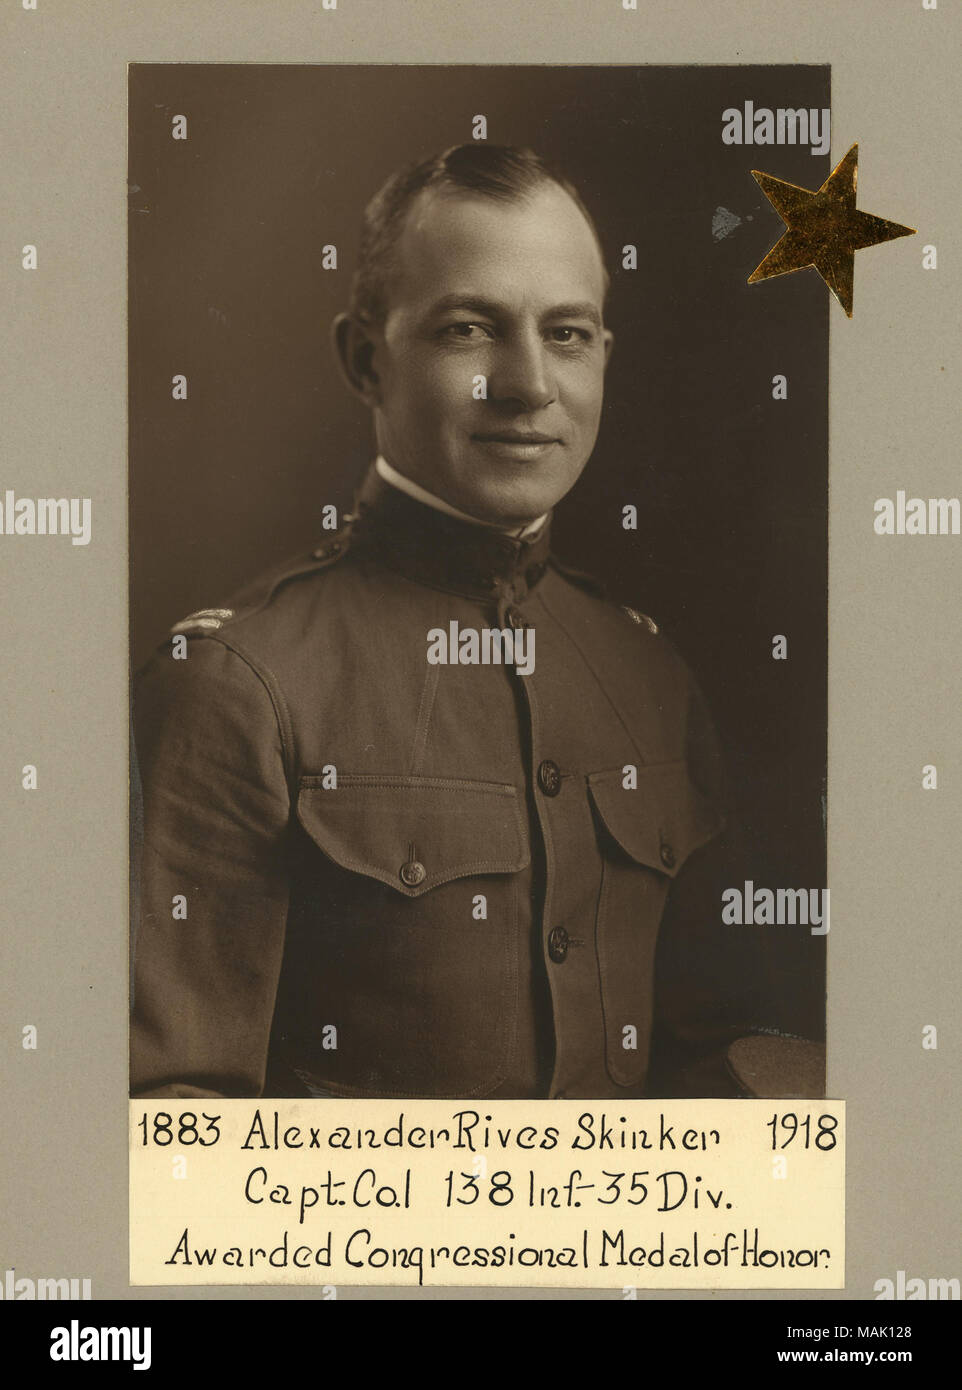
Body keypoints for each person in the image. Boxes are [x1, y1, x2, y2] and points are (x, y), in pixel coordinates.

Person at [130, 143, 773, 1102]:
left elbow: (707, 1067)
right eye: (469, 329)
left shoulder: (648, 673)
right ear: (365, 360)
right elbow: (173, 1138)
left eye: (567, 334)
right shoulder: (236, 682)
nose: (528, 385)